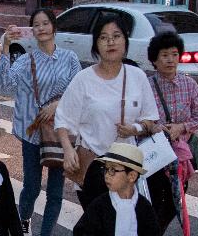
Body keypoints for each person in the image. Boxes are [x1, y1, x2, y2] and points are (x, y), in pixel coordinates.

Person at [0, 9, 80, 236]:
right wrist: (4, 48)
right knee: (32, 185)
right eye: (36, 25)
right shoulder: (25, 60)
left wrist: (57, 105)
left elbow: (78, 92)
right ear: (32, 31)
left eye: (45, 23)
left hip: (59, 133)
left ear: (54, 27)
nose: (41, 28)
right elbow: (3, 86)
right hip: (33, 132)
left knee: (56, 189)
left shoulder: (70, 58)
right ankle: (23, 219)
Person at [54, 14, 159, 208]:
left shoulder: (138, 77)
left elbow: (151, 120)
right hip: (93, 165)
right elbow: (63, 119)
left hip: (126, 167)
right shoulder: (83, 79)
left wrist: (134, 129)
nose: (111, 42)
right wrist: (68, 150)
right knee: (98, 228)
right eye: (103, 37)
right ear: (96, 45)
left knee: (125, 228)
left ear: (125, 42)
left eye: (116, 36)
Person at [73, 142, 167, 236]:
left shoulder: (143, 208)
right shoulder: (100, 205)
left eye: (113, 170)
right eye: (106, 169)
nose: (107, 175)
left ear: (132, 176)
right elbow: (82, 235)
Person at [144, 31, 198, 236]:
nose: (170, 60)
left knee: (175, 200)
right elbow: (137, 115)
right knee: (153, 199)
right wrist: (156, 127)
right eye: (164, 55)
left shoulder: (189, 84)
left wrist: (182, 127)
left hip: (180, 157)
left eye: (174, 54)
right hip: (155, 155)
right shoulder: (146, 85)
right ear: (154, 59)